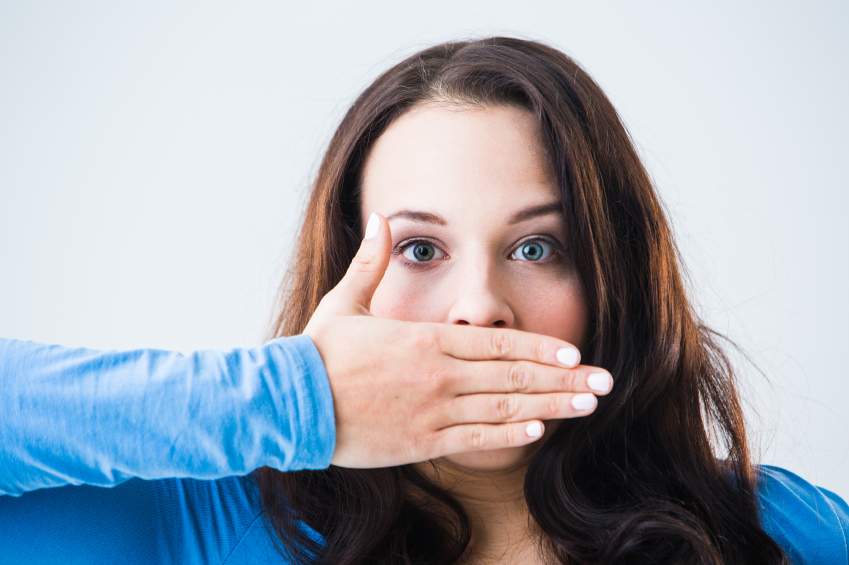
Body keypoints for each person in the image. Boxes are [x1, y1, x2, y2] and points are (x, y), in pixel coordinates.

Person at [1, 37, 846, 564]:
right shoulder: (186, 528)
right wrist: (295, 400)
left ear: (612, 275)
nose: (478, 308)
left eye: (535, 247)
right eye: (418, 249)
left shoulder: (776, 530)